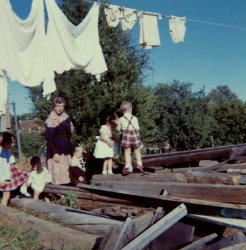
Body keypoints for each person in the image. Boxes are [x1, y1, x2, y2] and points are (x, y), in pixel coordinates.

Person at [45, 97, 74, 185]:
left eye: (62, 106)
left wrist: (64, 124)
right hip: (55, 147)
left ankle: (66, 192)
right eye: (58, 106)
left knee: (66, 170)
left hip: (65, 146)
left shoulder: (66, 117)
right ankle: (57, 193)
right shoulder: (50, 119)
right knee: (56, 170)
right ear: (54, 106)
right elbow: (49, 138)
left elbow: (71, 130)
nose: (60, 108)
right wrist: (54, 153)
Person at [0, 132, 29, 206]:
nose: (13, 144)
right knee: (6, 195)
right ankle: (3, 211)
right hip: (4, 177)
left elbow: (11, 163)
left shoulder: (7, 151)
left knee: (26, 174)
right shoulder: (1, 153)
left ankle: (22, 191)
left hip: (11, 173)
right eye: (12, 142)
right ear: (6, 143)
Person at [117, 101, 143, 175]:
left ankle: (128, 167)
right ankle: (139, 165)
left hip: (126, 135)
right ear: (130, 109)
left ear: (122, 111)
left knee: (127, 151)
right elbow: (137, 128)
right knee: (137, 150)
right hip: (135, 134)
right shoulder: (135, 118)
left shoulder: (121, 119)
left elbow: (118, 129)